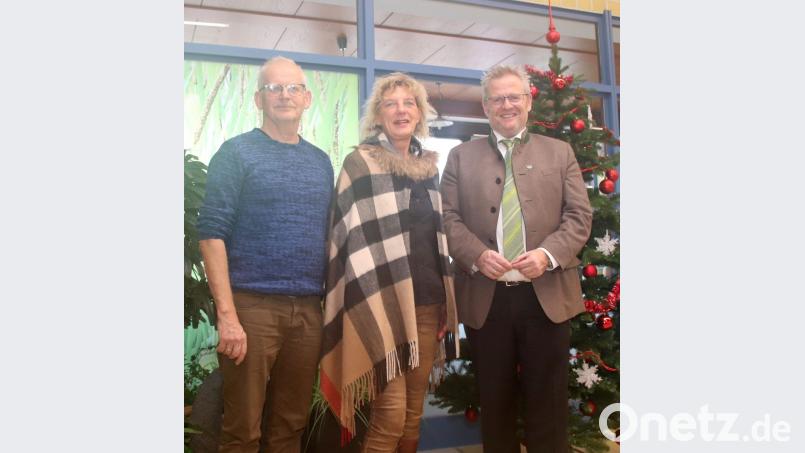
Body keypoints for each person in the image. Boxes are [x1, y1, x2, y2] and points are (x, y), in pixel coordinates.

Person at [440, 64, 592, 452]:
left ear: (528, 101)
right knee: (495, 406)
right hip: (486, 300)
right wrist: (476, 255)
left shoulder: (560, 152)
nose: (506, 105)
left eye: (514, 97)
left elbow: (579, 216)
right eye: (497, 98)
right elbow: (447, 217)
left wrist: (548, 255)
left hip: (547, 298)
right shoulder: (460, 157)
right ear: (485, 106)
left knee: (549, 408)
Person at [197, 56, 333, 453]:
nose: (284, 95)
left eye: (293, 88)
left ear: (306, 98)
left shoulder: (320, 162)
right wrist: (227, 316)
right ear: (259, 99)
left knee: (291, 426)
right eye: (274, 88)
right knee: (242, 430)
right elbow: (211, 234)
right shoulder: (236, 154)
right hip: (251, 310)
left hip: (307, 311)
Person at [319, 72, 460, 453]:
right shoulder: (360, 163)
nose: (401, 110)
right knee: (391, 414)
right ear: (378, 115)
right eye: (391, 104)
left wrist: (445, 303)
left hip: (427, 304)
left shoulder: (428, 167)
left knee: (414, 413)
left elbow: (436, 239)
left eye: (409, 103)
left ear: (420, 113)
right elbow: (345, 240)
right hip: (381, 304)